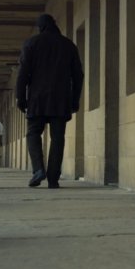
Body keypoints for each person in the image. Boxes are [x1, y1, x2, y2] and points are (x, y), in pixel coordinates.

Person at [16, 14, 84, 189]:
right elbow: (78, 75)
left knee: (33, 133)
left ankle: (38, 169)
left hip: (37, 98)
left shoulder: (31, 44)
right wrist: (74, 100)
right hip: (60, 99)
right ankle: (53, 178)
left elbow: (23, 73)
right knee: (57, 138)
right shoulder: (68, 45)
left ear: (41, 27)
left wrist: (20, 98)